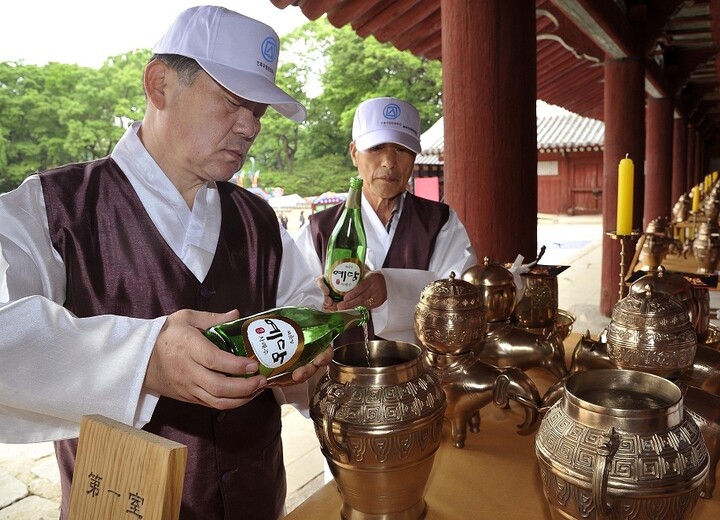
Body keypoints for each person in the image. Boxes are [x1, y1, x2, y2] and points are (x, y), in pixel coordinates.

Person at [0, 6, 329, 520]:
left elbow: (303, 304)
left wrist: (306, 353)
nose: (250, 127)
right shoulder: (52, 210)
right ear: (159, 85)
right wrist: (142, 360)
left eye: (259, 112)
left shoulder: (260, 221)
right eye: (232, 102)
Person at [295, 97, 476, 345]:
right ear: (354, 153)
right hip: (340, 367)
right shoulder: (318, 230)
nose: (389, 162)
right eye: (376, 148)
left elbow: (462, 298)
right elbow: (293, 302)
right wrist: (319, 299)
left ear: (414, 157)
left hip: (419, 366)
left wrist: (392, 288)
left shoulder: (440, 223)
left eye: (402, 150)